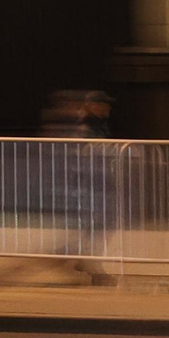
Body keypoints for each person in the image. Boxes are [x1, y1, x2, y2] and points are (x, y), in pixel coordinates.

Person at [39, 88, 115, 283]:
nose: (107, 107)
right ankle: (88, 266)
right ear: (91, 106)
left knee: (97, 225)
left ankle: (74, 258)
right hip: (87, 184)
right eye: (102, 103)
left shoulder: (97, 125)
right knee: (98, 225)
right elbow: (83, 155)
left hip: (93, 183)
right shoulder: (85, 127)